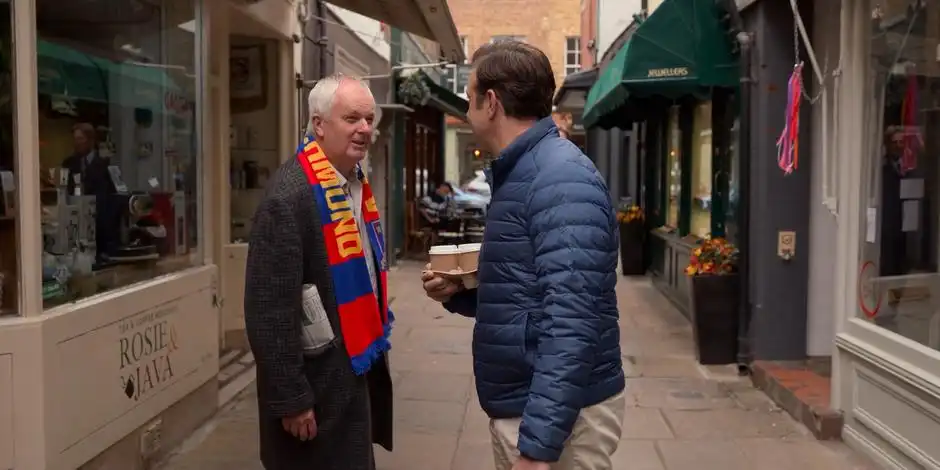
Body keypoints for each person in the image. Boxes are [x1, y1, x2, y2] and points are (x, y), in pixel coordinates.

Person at [421, 41, 625, 470]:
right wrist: (459, 292)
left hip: (556, 416)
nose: (467, 107)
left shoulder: (560, 178)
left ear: (491, 102)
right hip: (532, 403)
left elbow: (572, 320)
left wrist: (539, 445)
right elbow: (529, 290)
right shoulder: (527, 171)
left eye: (470, 96)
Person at [244, 74, 394, 470]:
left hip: (350, 374)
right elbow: (269, 311)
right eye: (352, 119)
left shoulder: (352, 182)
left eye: (369, 118)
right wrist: (291, 399)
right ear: (318, 124)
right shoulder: (289, 196)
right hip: (316, 394)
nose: (364, 128)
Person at [61, 123, 111, 196]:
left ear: (91, 141)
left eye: (80, 139)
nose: (77, 143)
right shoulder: (68, 164)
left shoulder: (104, 164)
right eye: (75, 139)